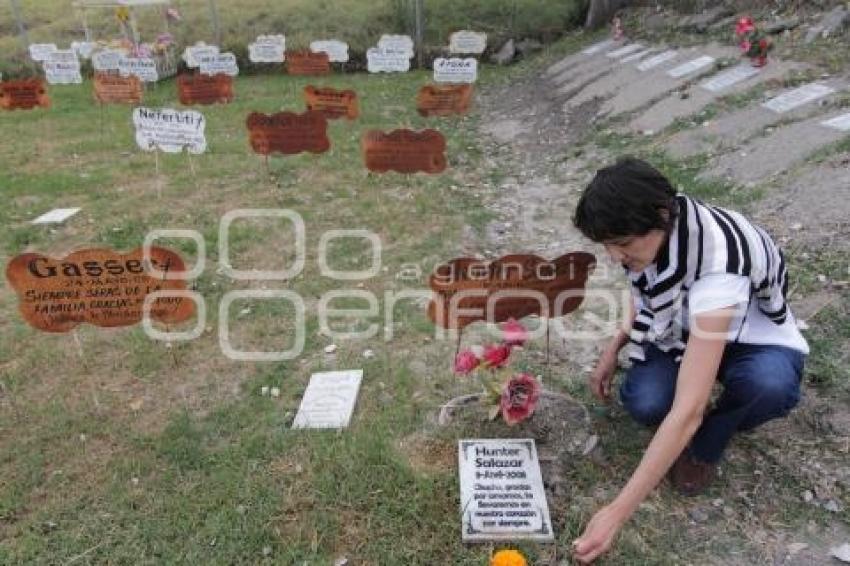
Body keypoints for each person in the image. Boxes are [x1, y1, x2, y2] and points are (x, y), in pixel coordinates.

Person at [569, 157, 808, 563]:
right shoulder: (663, 234)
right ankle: (679, 430)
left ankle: (705, 445)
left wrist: (615, 513)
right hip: (683, 331)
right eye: (607, 244)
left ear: (661, 215)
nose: (614, 256)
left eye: (623, 244)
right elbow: (647, 290)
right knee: (646, 401)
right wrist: (614, 347)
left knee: (768, 385)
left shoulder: (718, 268)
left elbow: (689, 407)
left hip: (749, 336)